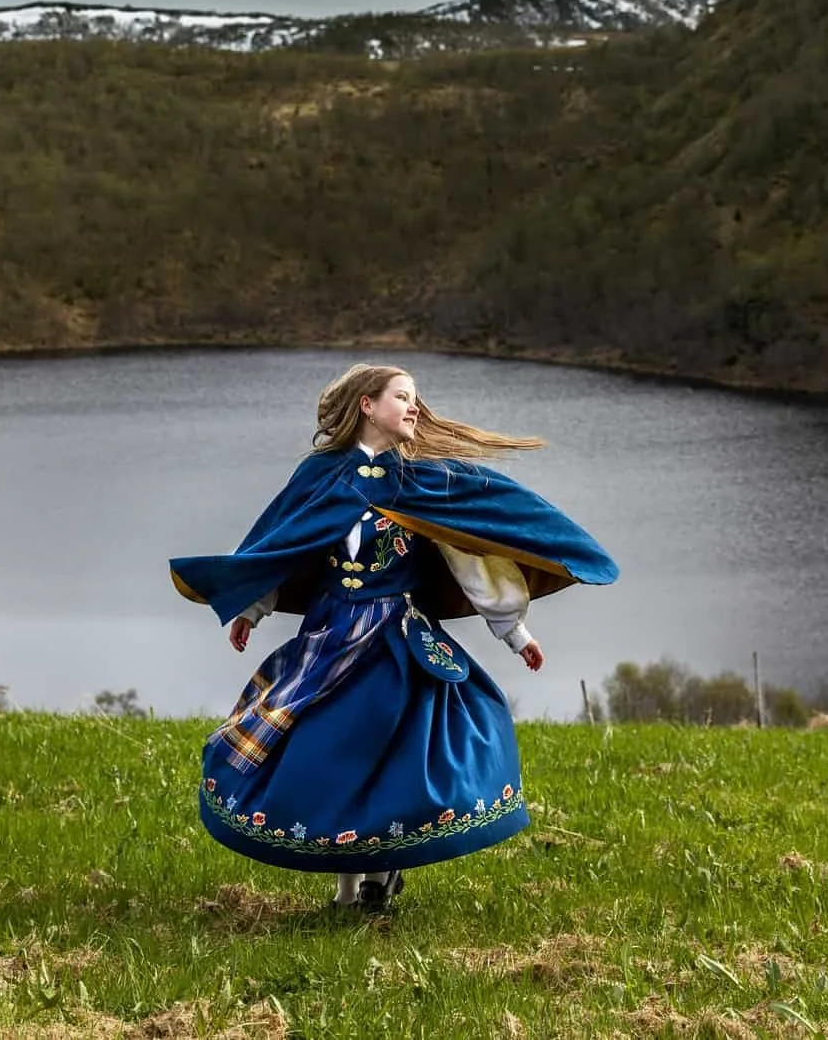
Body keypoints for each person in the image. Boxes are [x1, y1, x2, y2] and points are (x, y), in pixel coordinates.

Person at [169, 363, 618, 911]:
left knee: (392, 752)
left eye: (416, 399)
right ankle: (344, 889)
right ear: (366, 405)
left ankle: (383, 879)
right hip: (330, 637)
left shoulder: (425, 482)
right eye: (403, 397)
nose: (414, 408)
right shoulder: (320, 477)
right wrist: (251, 606)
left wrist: (514, 631)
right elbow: (283, 543)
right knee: (330, 748)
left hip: (398, 640)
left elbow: (469, 559)